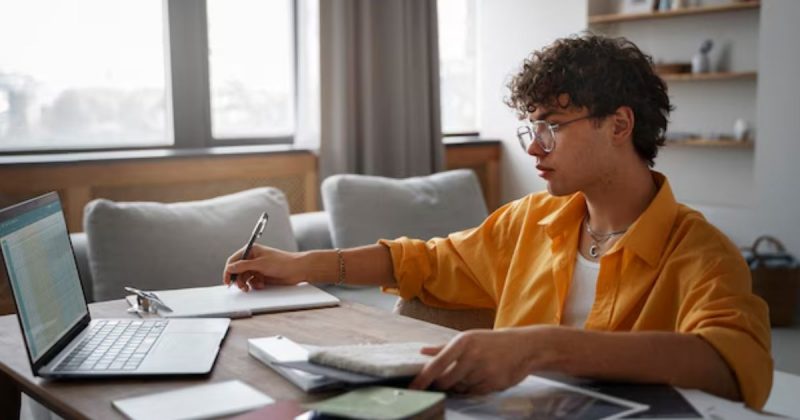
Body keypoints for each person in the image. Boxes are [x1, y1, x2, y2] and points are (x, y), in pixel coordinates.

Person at [222, 34, 772, 409]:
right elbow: (424, 260)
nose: (534, 146)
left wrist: (541, 346)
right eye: (530, 127)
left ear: (619, 125)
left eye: (552, 125)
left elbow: (732, 362)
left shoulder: (701, 251)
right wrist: (301, 264)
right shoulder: (529, 222)